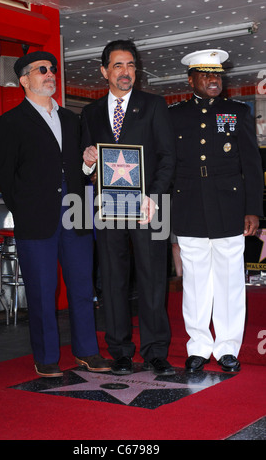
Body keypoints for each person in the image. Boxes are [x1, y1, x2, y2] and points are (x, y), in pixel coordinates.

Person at [0, 51, 111, 377]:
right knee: (43, 290)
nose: (49, 74)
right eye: (41, 70)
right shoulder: (11, 121)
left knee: (81, 287)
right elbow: (6, 176)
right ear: (24, 80)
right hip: (36, 218)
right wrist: (25, 211)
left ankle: (88, 351)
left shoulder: (73, 119)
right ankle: (46, 356)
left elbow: (81, 169)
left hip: (77, 213)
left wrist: (88, 161)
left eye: (52, 70)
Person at [81, 40, 176, 376]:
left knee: (153, 280)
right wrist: (87, 161)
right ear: (104, 70)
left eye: (131, 65)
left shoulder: (154, 105)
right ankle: (120, 351)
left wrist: (154, 195)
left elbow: (167, 157)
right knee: (113, 279)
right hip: (108, 207)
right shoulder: (90, 113)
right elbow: (86, 166)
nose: (126, 72)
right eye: (118, 66)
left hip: (149, 206)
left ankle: (155, 352)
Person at [169, 49, 264, 373]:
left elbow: (251, 164)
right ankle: (198, 347)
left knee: (229, 282)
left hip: (229, 206)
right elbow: (168, 164)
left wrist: (253, 209)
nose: (214, 80)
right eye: (206, 74)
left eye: (218, 75)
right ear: (190, 79)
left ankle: (227, 348)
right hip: (190, 205)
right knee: (195, 283)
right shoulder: (175, 115)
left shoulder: (237, 111)